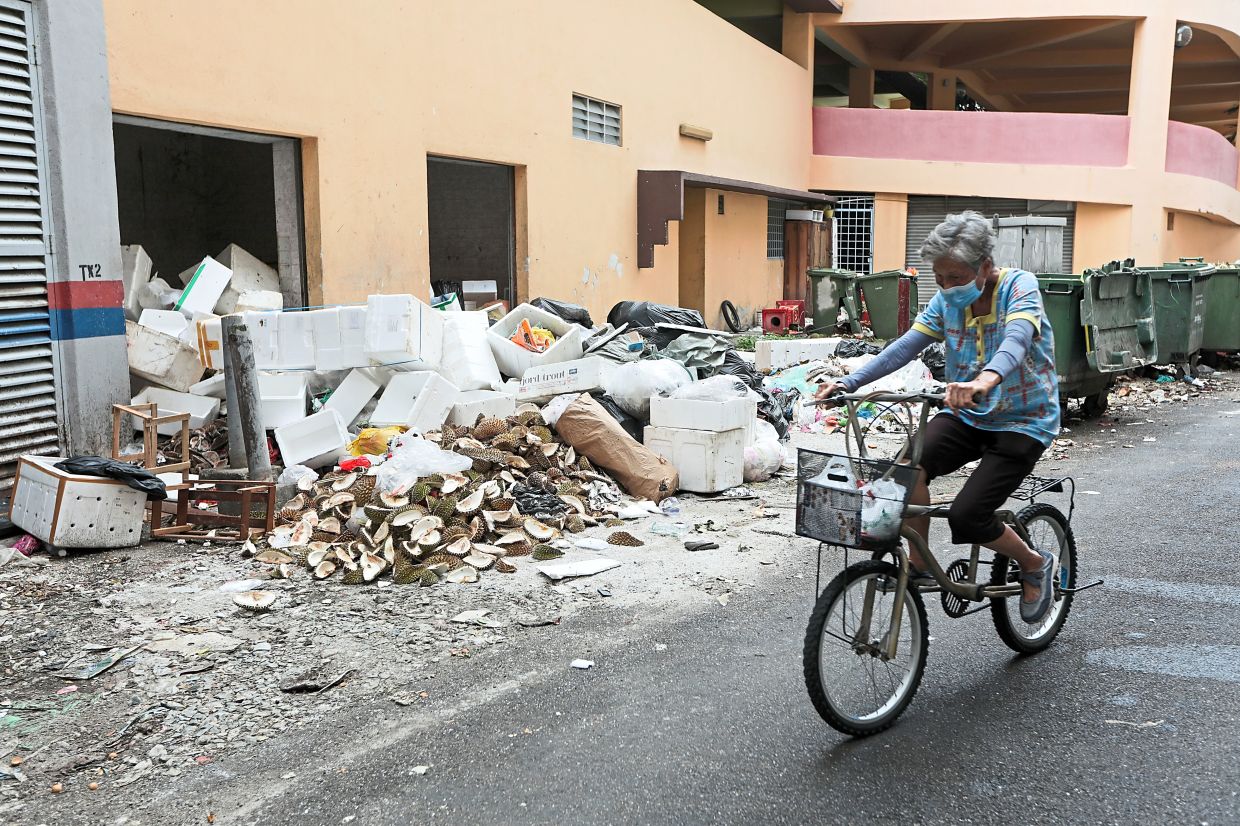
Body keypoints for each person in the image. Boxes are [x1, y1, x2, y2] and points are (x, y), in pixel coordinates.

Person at [815, 211, 1061, 623]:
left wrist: (985, 380)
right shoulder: (945, 302)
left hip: (1024, 420)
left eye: (955, 277)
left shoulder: (1019, 287)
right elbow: (903, 349)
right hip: (967, 415)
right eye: (939, 278)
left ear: (985, 266)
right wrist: (849, 383)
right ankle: (921, 563)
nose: (946, 287)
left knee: (968, 515)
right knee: (902, 473)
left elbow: (1017, 339)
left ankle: (1035, 563)